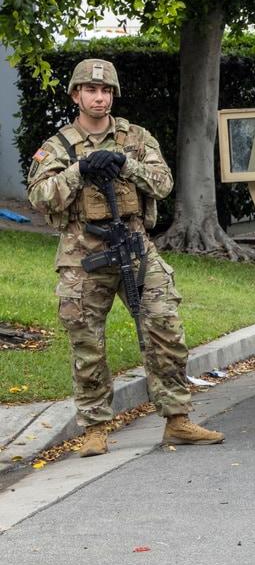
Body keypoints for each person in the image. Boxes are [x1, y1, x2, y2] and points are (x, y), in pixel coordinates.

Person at [25, 59, 225, 456]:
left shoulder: (134, 137)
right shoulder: (58, 146)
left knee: (164, 328)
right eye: (90, 91)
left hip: (134, 247)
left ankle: (177, 419)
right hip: (83, 254)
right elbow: (39, 196)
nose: (99, 98)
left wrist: (126, 163)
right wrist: (79, 170)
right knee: (87, 343)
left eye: (105, 92)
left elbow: (164, 183)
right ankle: (95, 429)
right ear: (75, 95)